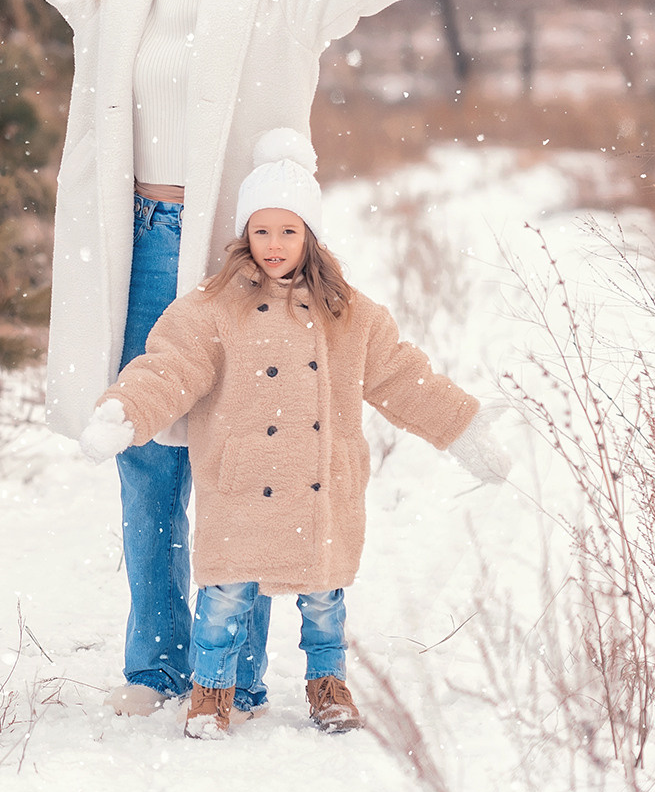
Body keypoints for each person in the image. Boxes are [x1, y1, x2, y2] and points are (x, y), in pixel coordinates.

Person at [0, 0, 574, 713]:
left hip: (232, 256)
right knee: (143, 453)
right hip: (139, 239)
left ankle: (236, 674)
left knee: (240, 449)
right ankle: (156, 664)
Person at [80, 130, 510, 735]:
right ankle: (212, 694)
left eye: (288, 231)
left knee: (325, 600)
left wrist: (459, 425)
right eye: (261, 231)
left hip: (319, 485)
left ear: (310, 233)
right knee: (225, 598)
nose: (274, 245)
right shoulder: (213, 306)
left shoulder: (349, 314)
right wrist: (126, 410)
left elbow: (401, 375)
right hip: (241, 487)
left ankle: (327, 687)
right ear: (244, 234)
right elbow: (170, 367)